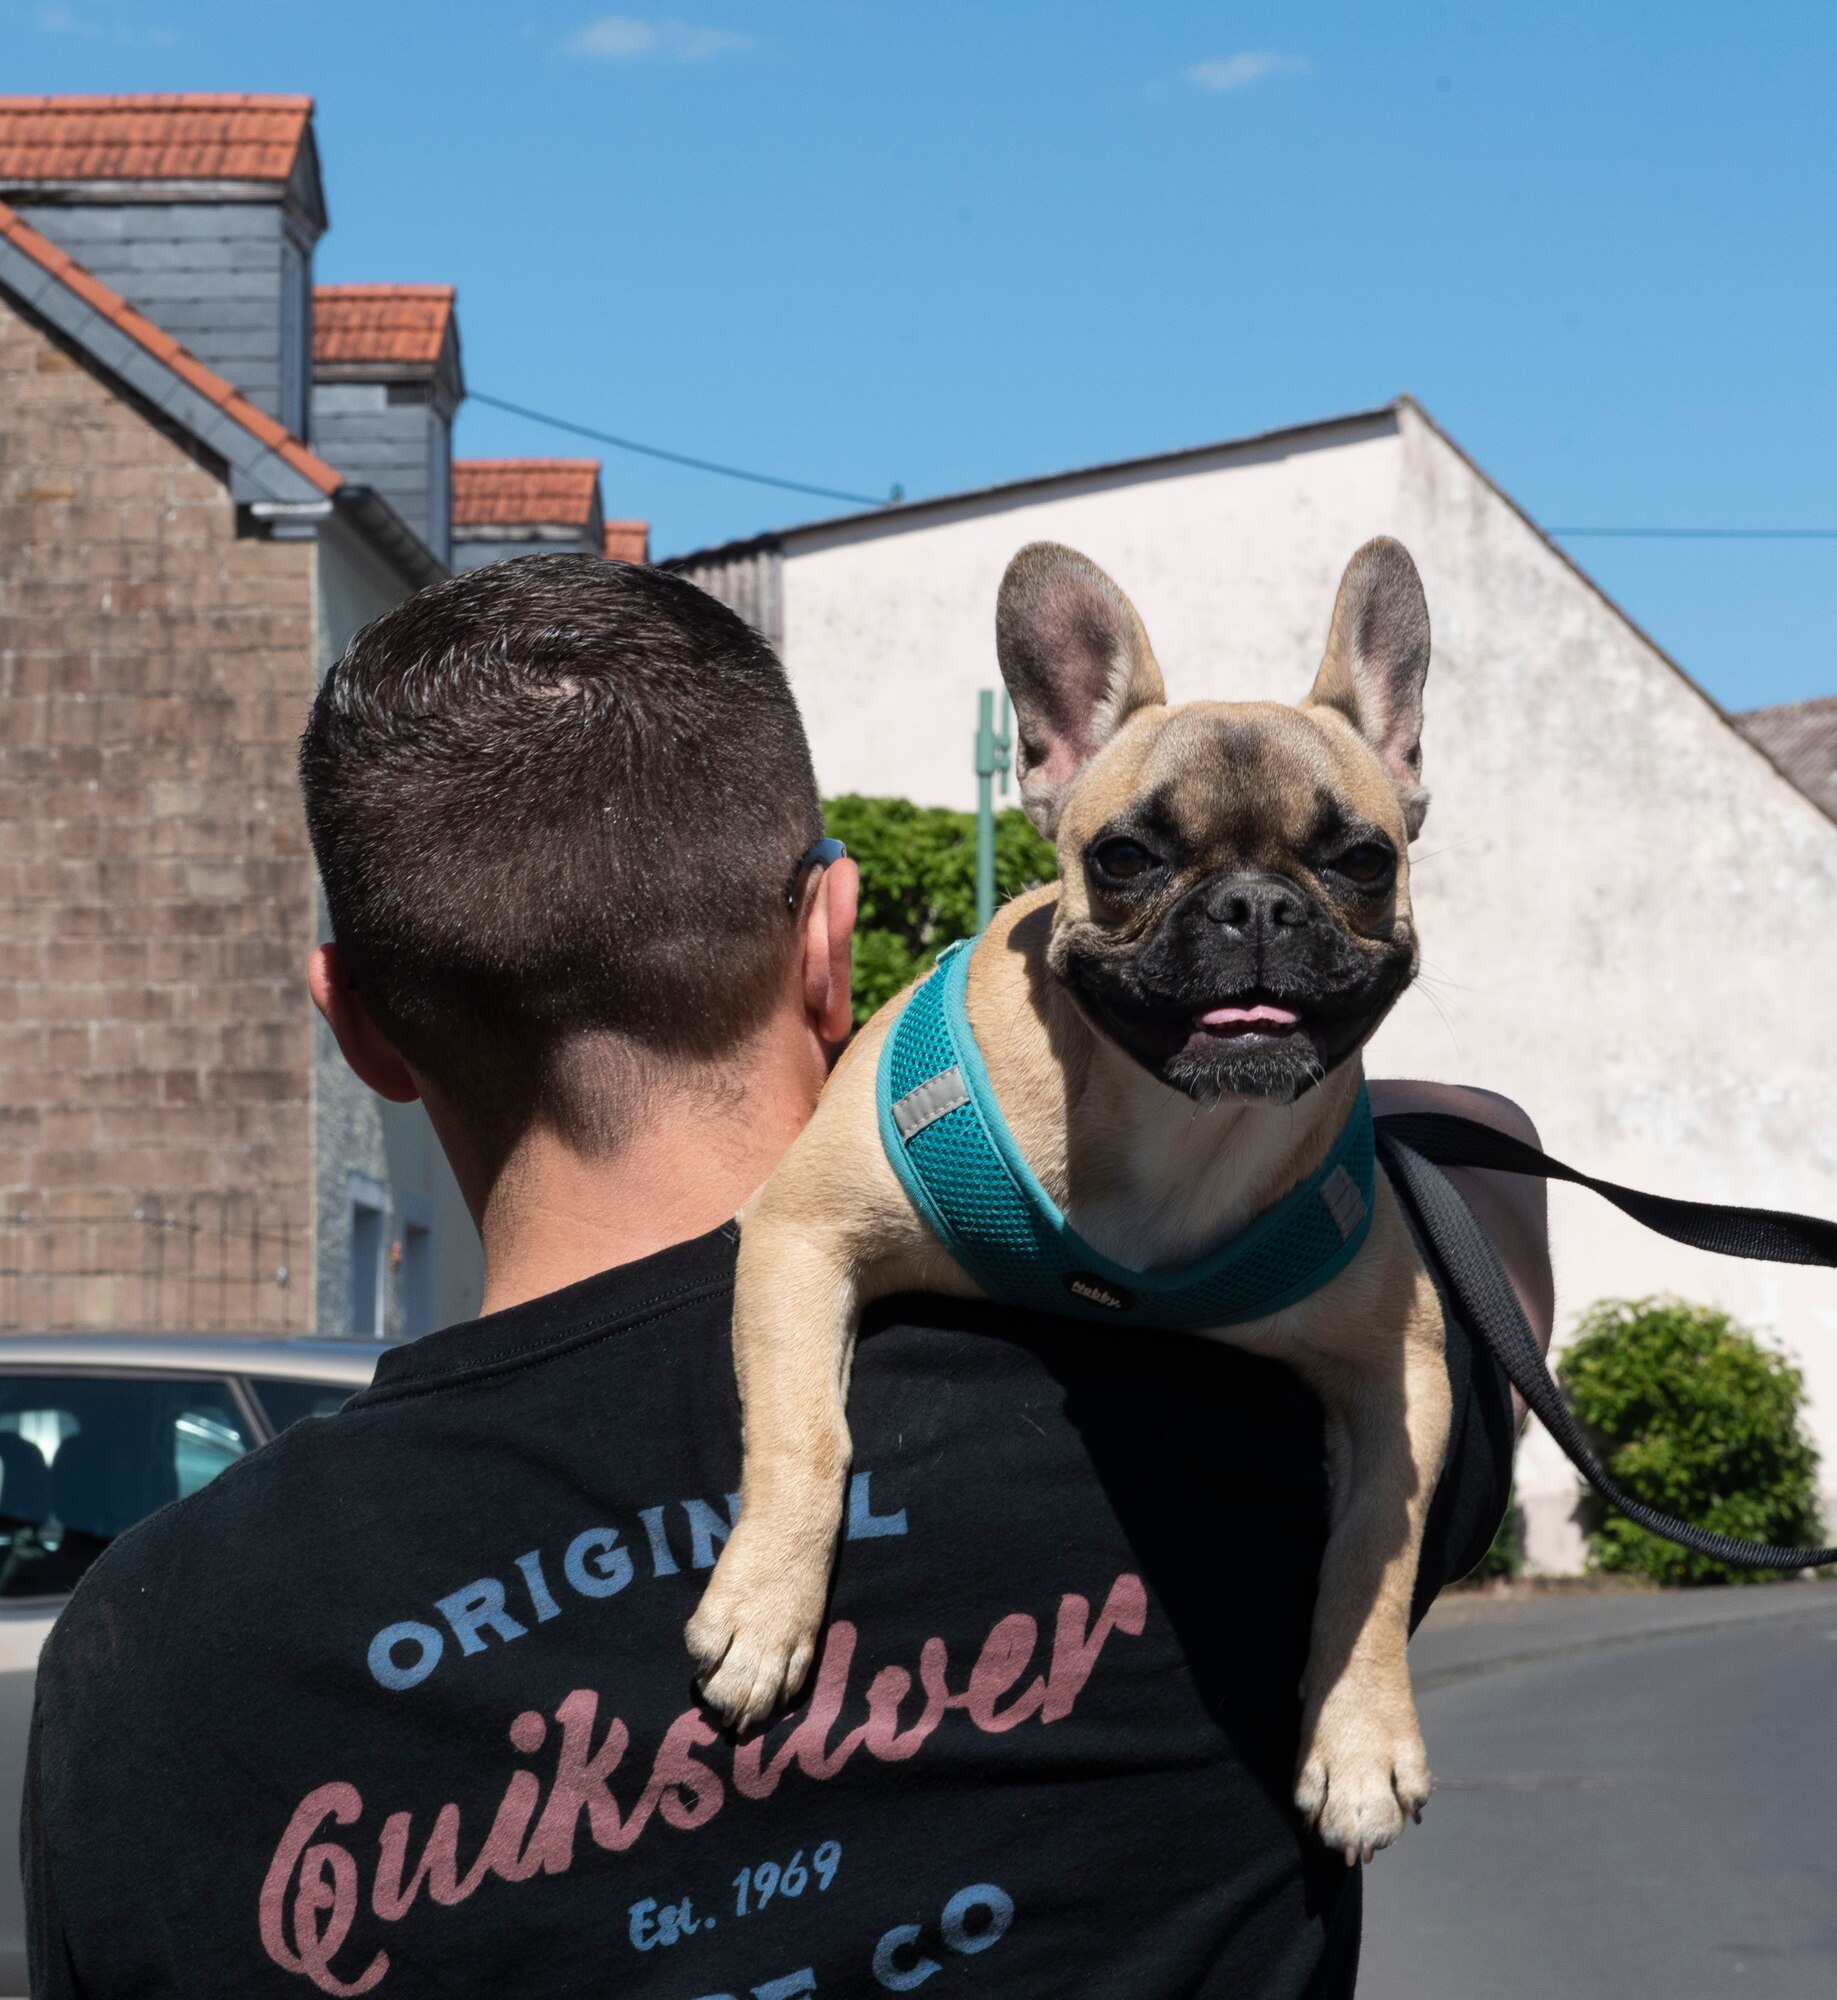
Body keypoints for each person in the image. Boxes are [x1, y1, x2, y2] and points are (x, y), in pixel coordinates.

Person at [22, 555, 1551, 1998]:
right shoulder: (1245, 1444)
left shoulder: (145, 1651)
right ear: (834, 943)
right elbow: (1482, 1175)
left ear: (354, 1028)